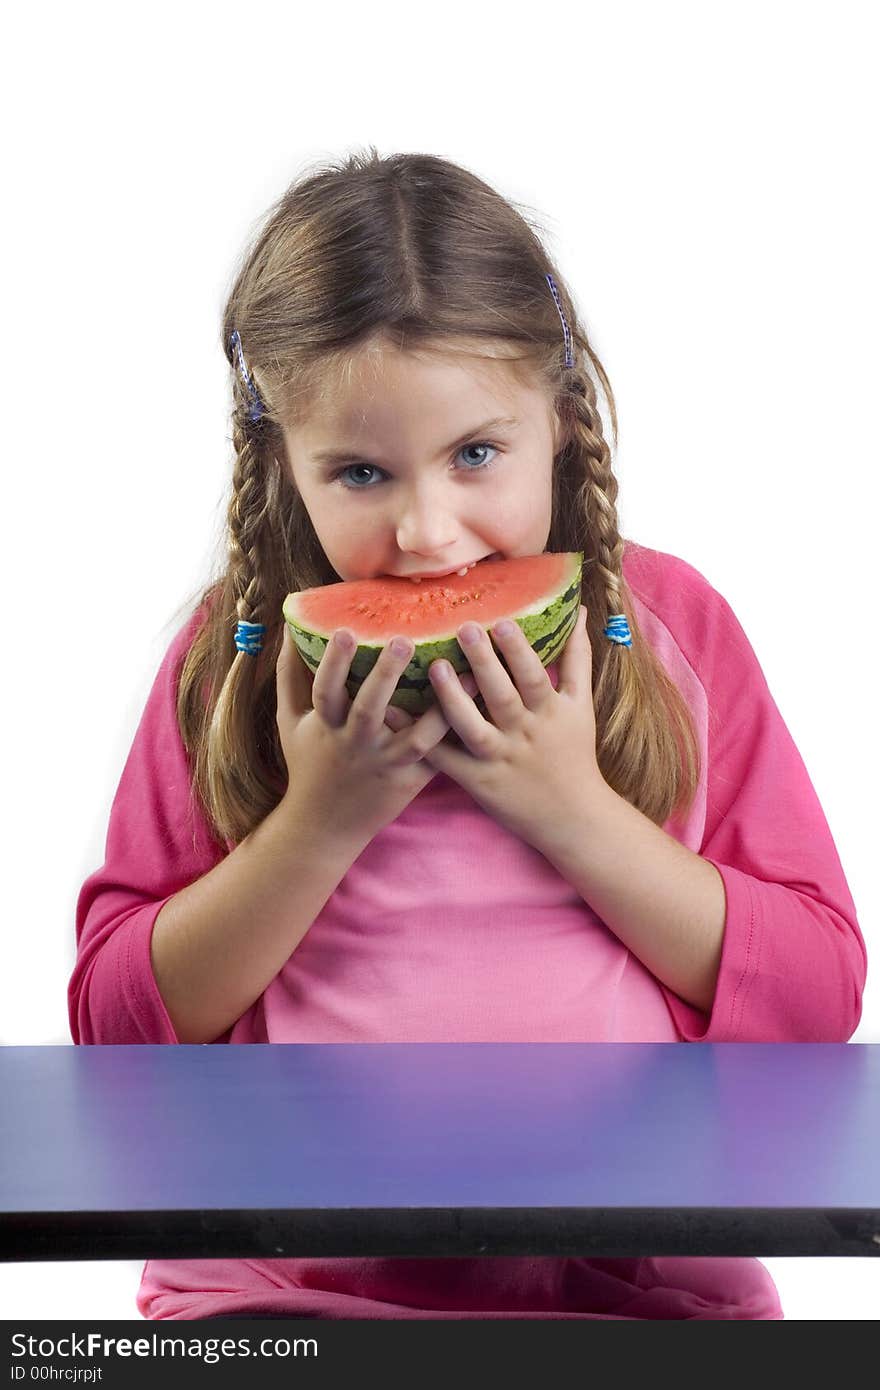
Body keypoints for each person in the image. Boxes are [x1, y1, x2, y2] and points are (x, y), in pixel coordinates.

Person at [69, 148, 865, 1321]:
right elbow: (113, 1036)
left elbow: (817, 999)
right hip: (283, 1290)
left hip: (632, 1285)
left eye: (476, 454)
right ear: (283, 465)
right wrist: (316, 824)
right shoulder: (232, 660)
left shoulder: (668, 630)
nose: (430, 535)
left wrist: (571, 807)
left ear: (560, 417)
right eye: (359, 472)